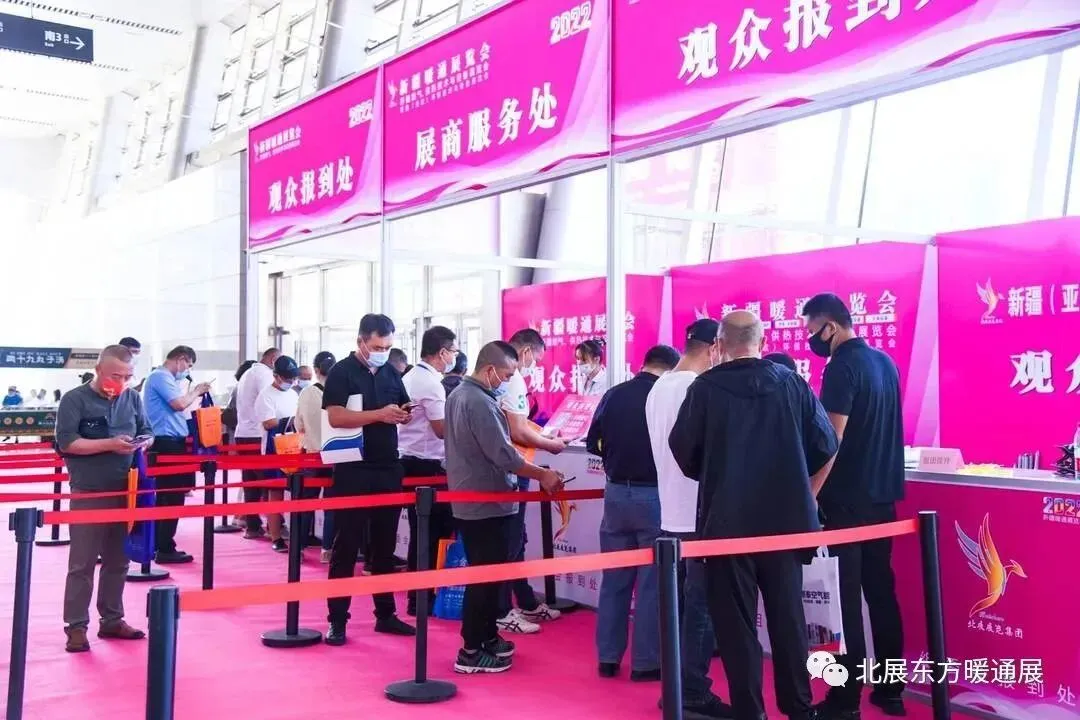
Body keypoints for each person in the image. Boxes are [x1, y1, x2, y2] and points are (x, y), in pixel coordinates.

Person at [669, 311, 838, 720]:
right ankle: (799, 708)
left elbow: (684, 453)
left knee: (736, 628)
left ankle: (750, 711)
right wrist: (802, 489)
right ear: (762, 342)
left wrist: (718, 470)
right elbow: (826, 443)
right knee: (788, 620)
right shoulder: (792, 384)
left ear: (719, 345)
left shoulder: (705, 388)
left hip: (727, 525)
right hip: (784, 524)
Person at [803, 293, 907, 720]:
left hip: (846, 502)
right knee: (881, 595)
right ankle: (891, 691)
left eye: (813, 331)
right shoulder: (885, 362)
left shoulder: (841, 367)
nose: (811, 339)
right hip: (883, 499)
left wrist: (810, 493)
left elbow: (832, 440)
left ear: (830, 326)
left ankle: (845, 699)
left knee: (844, 602)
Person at [444, 341, 565, 674]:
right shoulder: (477, 401)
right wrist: (542, 474)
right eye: (507, 374)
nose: (508, 380)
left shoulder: (461, 395)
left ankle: (486, 636)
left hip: (478, 497)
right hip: (485, 501)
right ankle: (471, 650)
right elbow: (503, 454)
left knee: (489, 577)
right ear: (490, 370)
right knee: (484, 579)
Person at [645, 319, 732, 718]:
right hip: (699, 515)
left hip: (671, 514)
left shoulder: (659, 386)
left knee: (681, 610)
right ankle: (692, 691)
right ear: (715, 348)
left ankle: (678, 687)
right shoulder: (700, 388)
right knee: (700, 610)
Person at [587, 344, 681, 682]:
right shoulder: (667, 397)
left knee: (614, 580)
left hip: (615, 493)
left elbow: (592, 442)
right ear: (671, 369)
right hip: (654, 495)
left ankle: (608, 658)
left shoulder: (614, 394)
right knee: (652, 584)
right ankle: (645, 663)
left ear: (644, 363)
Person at [323, 314, 415, 644]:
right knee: (346, 545)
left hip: (388, 465)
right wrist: (379, 415)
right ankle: (337, 619)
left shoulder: (391, 371)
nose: (382, 352)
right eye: (377, 346)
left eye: (387, 347)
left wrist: (404, 413)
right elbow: (336, 416)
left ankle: (386, 614)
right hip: (352, 468)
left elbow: (401, 404)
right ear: (360, 341)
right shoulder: (342, 372)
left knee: (384, 546)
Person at [56, 345, 153, 652]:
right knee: (82, 563)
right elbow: (67, 443)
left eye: (127, 376)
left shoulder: (132, 398)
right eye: (115, 376)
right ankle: (76, 626)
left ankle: (112, 619)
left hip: (126, 490)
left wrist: (142, 442)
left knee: (118, 560)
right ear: (98, 371)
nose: (121, 382)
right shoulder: (74, 399)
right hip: (89, 492)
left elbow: (147, 431)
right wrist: (110, 444)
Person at [497, 328, 566, 635]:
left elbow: (518, 422)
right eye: (535, 359)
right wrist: (549, 444)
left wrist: (541, 435)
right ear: (525, 352)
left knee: (516, 537)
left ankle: (523, 599)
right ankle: (502, 609)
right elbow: (515, 429)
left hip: (514, 466)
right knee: (508, 540)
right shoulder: (512, 378)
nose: (534, 366)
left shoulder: (505, 378)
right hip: (511, 469)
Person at [398, 326, 459, 616]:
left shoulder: (411, 376)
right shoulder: (431, 383)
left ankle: (419, 596)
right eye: (454, 351)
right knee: (433, 533)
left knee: (422, 532)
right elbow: (441, 430)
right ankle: (423, 597)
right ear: (443, 352)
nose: (454, 357)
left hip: (411, 460)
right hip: (427, 465)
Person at [142, 345, 212, 564]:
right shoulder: (160, 377)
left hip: (172, 442)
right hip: (167, 444)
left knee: (171, 495)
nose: (187, 370)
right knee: (170, 496)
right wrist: (196, 391)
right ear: (180, 359)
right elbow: (179, 404)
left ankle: (161, 543)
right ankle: (164, 546)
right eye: (188, 365)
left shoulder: (164, 379)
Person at [255, 355, 301, 553]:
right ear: (276, 376)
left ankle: (295, 532)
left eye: (293, 378)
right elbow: (268, 422)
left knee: (296, 491)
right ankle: (275, 536)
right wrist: (288, 420)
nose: (291, 382)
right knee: (276, 494)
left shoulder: (293, 394)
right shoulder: (265, 395)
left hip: (294, 446)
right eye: (288, 378)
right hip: (274, 449)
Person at [234, 348, 281, 538]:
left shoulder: (247, 373)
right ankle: (274, 527)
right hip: (257, 434)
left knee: (250, 483)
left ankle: (253, 526)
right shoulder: (264, 375)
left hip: (243, 432)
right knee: (269, 483)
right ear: (273, 359)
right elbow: (269, 399)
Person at [295, 351, 336, 562]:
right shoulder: (341, 393)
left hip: (311, 456)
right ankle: (327, 550)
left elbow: (298, 425)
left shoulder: (305, 393)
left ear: (316, 370)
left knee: (306, 504)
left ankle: (299, 548)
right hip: (335, 456)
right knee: (332, 505)